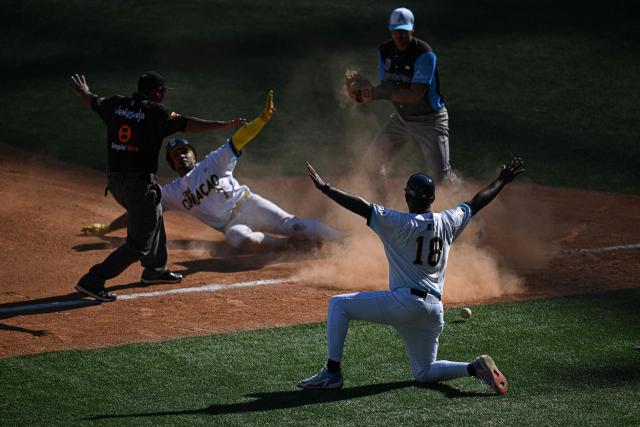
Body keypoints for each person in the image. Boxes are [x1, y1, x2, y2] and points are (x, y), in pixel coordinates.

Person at [297, 156, 525, 393]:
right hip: (434, 310)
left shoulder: (398, 223)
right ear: (433, 199)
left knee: (338, 305)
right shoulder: (447, 221)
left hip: (404, 304)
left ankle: (332, 373)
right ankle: (473, 367)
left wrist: (326, 189)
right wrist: (501, 180)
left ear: (407, 196)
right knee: (424, 372)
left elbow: (362, 207)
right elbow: (477, 202)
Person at [82, 91, 342, 253]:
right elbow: (141, 211)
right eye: (175, 155)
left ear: (194, 154)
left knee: (293, 224)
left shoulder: (214, 162)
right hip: (232, 225)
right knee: (238, 240)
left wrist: (260, 121)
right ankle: (293, 248)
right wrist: (108, 229)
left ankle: (345, 241)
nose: (181, 155)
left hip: (251, 204)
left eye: (185, 150)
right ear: (172, 163)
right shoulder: (172, 192)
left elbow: (239, 139)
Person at [70, 71, 245, 302]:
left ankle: (155, 269)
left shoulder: (115, 104)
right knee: (138, 243)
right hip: (139, 186)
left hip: (116, 184)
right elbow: (188, 124)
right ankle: (93, 280)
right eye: (162, 91)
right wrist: (223, 125)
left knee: (157, 209)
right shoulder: (155, 113)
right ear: (156, 92)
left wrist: (82, 90)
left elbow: (92, 99)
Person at [351, 7, 456, 202]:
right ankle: (384, 211)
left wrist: (375, 93)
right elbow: (386, 86)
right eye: (396, 30)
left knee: (442, 178)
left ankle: (468, 212)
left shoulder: (425, 54)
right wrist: (366, 91)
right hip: (402, 120)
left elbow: (415, 95)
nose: (399, 35)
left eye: (404, 30)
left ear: (412, 29)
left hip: (430, 121)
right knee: (371, 163)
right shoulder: (385, 50)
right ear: (390, 30)